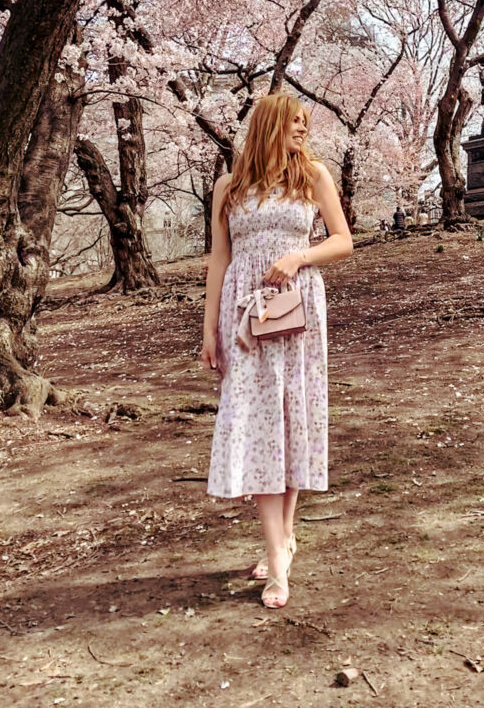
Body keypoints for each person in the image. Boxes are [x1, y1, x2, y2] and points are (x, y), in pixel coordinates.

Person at [200, 93, 353, 609]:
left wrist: (298, 257)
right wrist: (208, 332)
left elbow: (344, 240)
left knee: (289, 419)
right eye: (295, 123)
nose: (303, 131)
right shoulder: (228, 186)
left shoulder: (313, 175)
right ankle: (278, 556)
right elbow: (219, 260)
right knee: (257, 422)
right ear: (268, 125)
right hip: (243, 317)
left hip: (297, 310)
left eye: (306, 124)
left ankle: (282, 541)